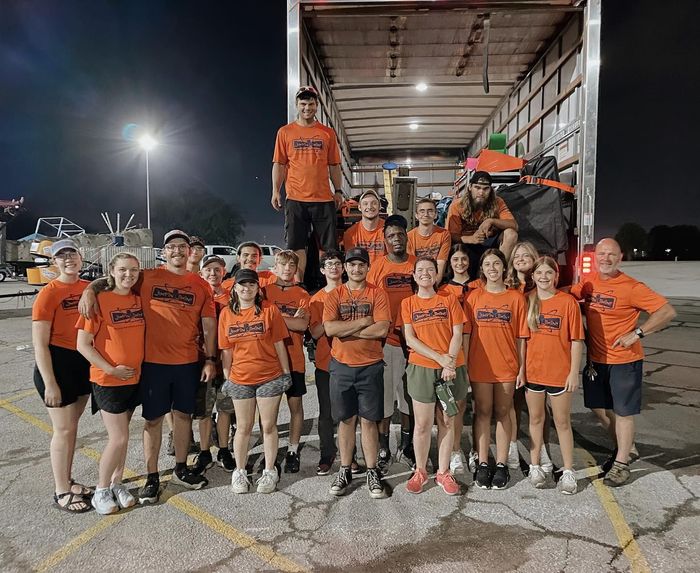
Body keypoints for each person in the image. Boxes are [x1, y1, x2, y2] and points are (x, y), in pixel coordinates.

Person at [79, 230, 217, 503]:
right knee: (153, 420)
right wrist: (88, 289)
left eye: (182, 246)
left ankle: (180, 468)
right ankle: (152, 475)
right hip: (153, 364)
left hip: (187, 362)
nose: (177, 251)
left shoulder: (200, 285)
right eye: (171, 247)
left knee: (183, 417)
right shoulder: (147, 277)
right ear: (164, 252)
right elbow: (116, 278)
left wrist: (211, 359)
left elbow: (209, 326)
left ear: (189, 252)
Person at [570, 238, 676, 486]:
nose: (605, 258)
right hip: (597, 360)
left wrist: (637, 334)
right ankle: (627, 447)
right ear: (595, 257)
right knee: (598, 407)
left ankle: (621, 463)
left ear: (620, 258)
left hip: (623, 362)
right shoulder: (589, 283)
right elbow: (567, 295)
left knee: (623, 412)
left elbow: (667, 312)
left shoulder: (631, 287)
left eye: (611, 254)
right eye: (601, 254)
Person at [76, 253, 145, 514]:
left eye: (134, 270)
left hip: (134, 378)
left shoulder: (137, 299)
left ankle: (117, 483)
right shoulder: (99, 301)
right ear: (111, 272)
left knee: (124, 437)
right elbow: (82, 345)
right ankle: (101, 489)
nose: (129, 275)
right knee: (118, 437)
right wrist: (111, 369)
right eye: (123, 270)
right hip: (108, 380)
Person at [323, 247, 391, 498]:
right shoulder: (335, 295)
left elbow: (382, 329)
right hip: (341, 366)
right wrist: (363, 322)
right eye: (351, 265)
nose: (356, 269)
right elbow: (329, 329)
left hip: (370, 365)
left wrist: (346, 330)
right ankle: (345, 468)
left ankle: (372, 470)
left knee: (369, 420)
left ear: (367, 267)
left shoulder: (377, 294)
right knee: (345, 420)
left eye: (361, 264)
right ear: (345, 267)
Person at [219, 269, 293, 494]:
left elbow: (280, 343)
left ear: (257, 288)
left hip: (269, 376)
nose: (247, 288)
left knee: (268, 426)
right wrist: (227, 377)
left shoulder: (270, 310)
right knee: (243, 427)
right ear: (235, 288)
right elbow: (226, 350)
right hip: (240, 378)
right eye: (242, 284)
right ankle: (240, 471)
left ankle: (269, 470)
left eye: (251, 285)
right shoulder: (226, 314)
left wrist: (286, 373)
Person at [32, 239, 92, 513]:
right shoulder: (49, 293)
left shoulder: (87, 288)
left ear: (81, 258)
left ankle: (68, 480)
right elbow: (39, 344)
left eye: (72, 254)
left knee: (72, 429)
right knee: (63, 430)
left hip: (82, 363)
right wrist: (50, 383)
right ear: (54, 262)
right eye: (61, 256)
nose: (68, 259)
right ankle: (61, 491)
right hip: (58, 364)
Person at [463, 248, 529, 490]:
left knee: (503, 411)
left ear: (504, 268)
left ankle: (501, 463)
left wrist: (521, 369)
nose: (492, 268)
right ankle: (482, 462)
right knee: (482, 412)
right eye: (487, 264)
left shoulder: (515, 298)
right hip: (480, 365)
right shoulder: (473, 298)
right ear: (482, 269)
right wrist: (466, 365)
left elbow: (522, 337)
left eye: (496, 264)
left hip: (507, 366)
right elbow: (467, 336)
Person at [401, 257, 466, 495]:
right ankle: (420, 470)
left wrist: (449, 362)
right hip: (422, 367)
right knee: (422, 424)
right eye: (420, 270)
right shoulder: (408, 303)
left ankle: (443, 472)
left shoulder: (449, 300)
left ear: (437, 274)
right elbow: (410, 339)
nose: (425, 273)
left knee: (447, 421)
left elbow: (457, 332)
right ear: (414, 276)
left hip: (451, 368)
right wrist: (440, 359)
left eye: (430, 269)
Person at [521, 256, 584, 494]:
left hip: (559, 373)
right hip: (534, 372)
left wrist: (573, 373)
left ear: (556, 276)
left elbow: (576, 340)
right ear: (533, 276)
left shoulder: (568, 303)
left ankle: (568, 471)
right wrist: (522, 371)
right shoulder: (528, 301)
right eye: (540, 273)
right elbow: (523, 341)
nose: (544, 277)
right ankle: (535, 465)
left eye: (549, 273)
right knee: (536, 420)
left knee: (562, 422)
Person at [272, 85, 344, 282]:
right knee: (296, 245)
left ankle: (328, 285)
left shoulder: (327, 133)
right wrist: (275, 191)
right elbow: (279, 163)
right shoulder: (285, 132)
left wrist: (338, 190)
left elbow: (334, 164)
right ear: (297, 105)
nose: (307, 108)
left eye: (311, 104)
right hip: (295, 198)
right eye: (303, 104)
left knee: (328, 247)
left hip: (323, 198)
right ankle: (298, 284)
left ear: (317, 105)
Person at [367, 215, 416, 473]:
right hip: (386, 341)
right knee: (386, 400)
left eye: (400, 234)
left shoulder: (417, 265)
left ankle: (407, 446)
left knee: (409, 399)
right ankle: (384, 446)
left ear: (407, 236)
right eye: (391, 236)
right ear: (384, 241)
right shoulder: (377, 267)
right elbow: (371, 301)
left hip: (414, 343)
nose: (396, 239)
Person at [503, 241, 553, 473]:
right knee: (512, 403)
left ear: (535, 259)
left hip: (539, 353)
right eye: (517, 256)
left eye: (526, 255)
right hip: (513, 351)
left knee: (539, 408)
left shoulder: (543, 285)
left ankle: (541, 448)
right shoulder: (506, 287)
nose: (521, 258)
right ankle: (512, 447)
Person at [262, 250, 310, 473]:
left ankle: (292, 449)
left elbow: (302, 326)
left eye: (292, 265)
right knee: (267, 412)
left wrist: (275, 317)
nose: (288, 269)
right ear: (276, 268)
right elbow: (262, 322)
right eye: (283, 265)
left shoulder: (302, 294)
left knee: (295, 407)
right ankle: (268, 451)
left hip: (294, 358)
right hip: (268, 359)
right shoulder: (265, 292)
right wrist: (289, 318)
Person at [191, 254, 236, 474]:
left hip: (227, 361)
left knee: (225, 407)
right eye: (208, 269)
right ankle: (204, 450)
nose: (213, 273)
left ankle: (224, 449)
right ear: (201, 273)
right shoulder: (197, 295)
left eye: (217, 269)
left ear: (224, 272)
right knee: (204, 410)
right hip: (202, 360)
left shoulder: (232, 297)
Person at [437, 244, 475, 474]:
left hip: (481, 348)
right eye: (455, 259)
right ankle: (455, 450)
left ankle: (478, 451)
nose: (459, 263)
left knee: (482, 407)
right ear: (449, 264)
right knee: (455, 406)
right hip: (455, 352)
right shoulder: (443, 291)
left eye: (463, 259)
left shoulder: (480, 286)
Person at [309, 250, 343, 475]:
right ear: (322, 270)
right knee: (327, 413)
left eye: (337, 263)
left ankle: (349, 455)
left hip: (350, 360)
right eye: (329, 264)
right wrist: (330, 318)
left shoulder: (352, 293)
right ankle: (327, 454)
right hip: (326, 361)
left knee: (349, 413)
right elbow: (314, 332)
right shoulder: (317, 299)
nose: (333, 268)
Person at [446, 171, 518, 279]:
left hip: (489, 240)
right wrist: (471, 239)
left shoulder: (497, 202)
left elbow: (514, 225)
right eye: (477, 187)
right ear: (470, 187)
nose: (481, 192)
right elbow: (451, 235)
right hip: (466, 243)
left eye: (485, 189)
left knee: (511, 234)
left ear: (490, 189)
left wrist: (491, 221)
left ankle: (502, 273)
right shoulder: (457, 205)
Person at [407, 198, 451, 284]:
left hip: (435, 278)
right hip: (418, 279)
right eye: (422, 211)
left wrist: (433, 287)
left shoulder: (444, 234)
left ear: (435, 215)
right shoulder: (409, 236)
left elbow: (441, 264)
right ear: (416, 215)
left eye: (430, 211)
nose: (426, 214)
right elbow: (412, 266)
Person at [342, 190, 386, 264]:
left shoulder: (388, 230)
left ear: (380, 206)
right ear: (359, 207)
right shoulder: (350, 234)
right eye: (365, 204)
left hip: (384, 274)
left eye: (374, 203)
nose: (370, 207)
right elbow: (351, 263)